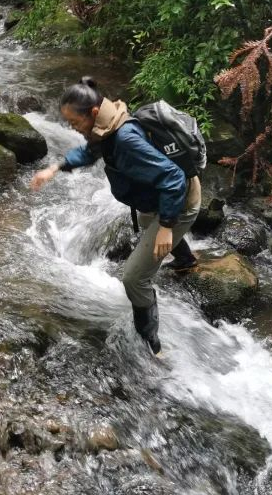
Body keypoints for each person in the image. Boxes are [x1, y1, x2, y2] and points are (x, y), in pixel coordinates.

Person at [30, 77, 201, 356]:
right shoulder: (107, 126)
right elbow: (90, 152)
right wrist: (56, 168)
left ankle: (152, 346)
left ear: (93, 113)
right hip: (157, 200)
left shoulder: (125, 138)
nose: (73, 128)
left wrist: (168, 226)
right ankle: (186, 261)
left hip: (179, 202)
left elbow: (173, 178)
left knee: (134, 278)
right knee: (147, 223)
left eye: (75, 123)